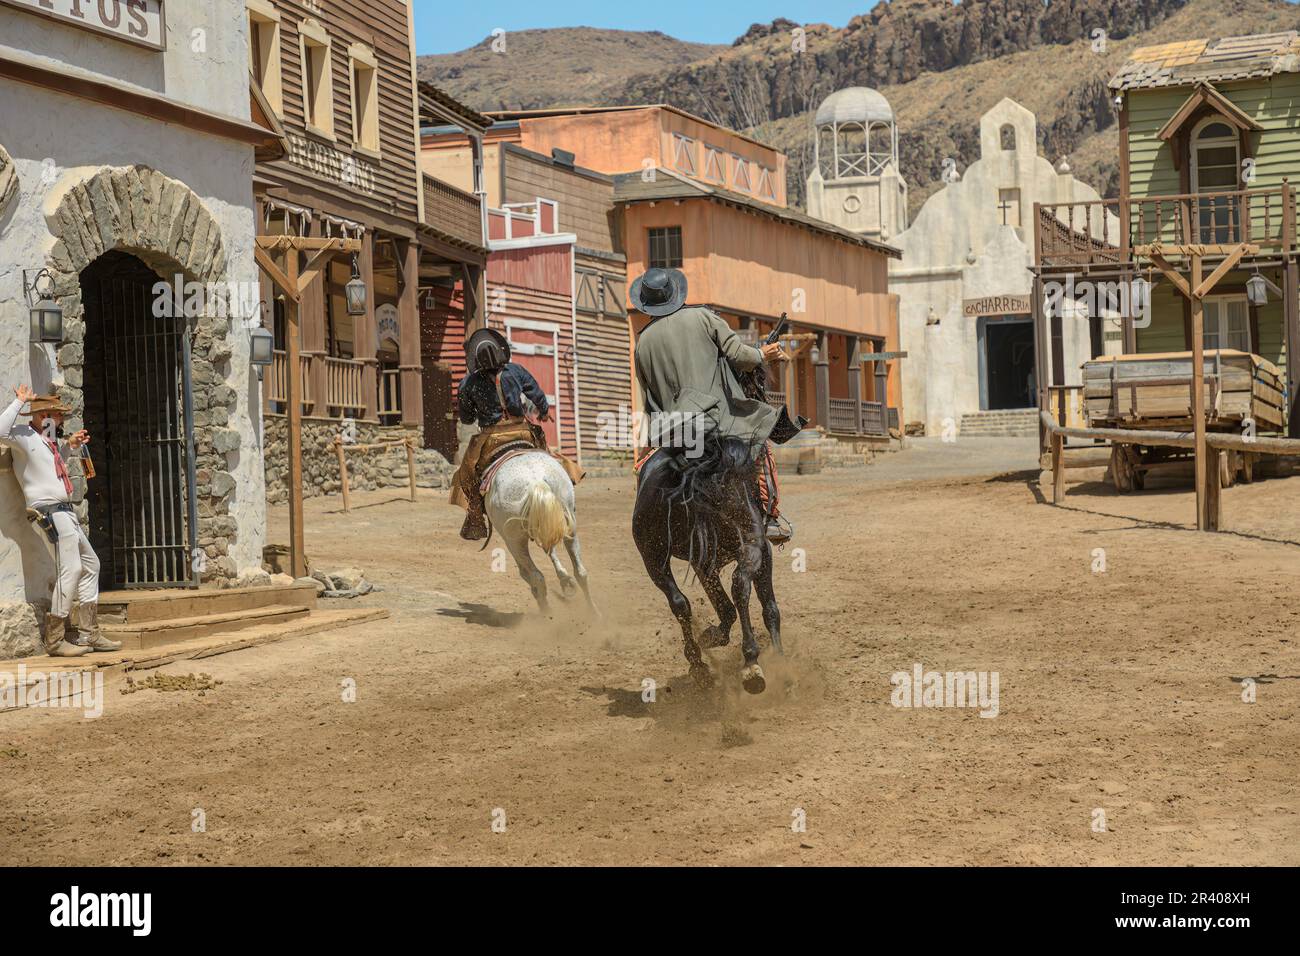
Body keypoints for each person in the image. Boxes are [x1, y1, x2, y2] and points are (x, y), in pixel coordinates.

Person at [631, 267, 793, 543]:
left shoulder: (642, 343)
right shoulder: (703, 317)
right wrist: (762, 354)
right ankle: (770, 517)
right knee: (762, 446)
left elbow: (649, 399)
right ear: (675, 292)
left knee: (645, 472)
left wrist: (654, 439)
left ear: (647, 303)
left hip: (672, 432)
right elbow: (739, 355)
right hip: (717, 422)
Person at [0, 385, 120, 656]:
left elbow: (53, 470)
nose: (62, 420)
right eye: (58, 415)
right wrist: (19, 402)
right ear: (43, 416)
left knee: (91, 564)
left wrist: (69, 448)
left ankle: (90, 634)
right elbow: (0, 431)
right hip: (49, 512)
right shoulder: (24, 435)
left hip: (65, 512)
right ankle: (55, 640)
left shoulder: (48, 439)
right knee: (72, 568)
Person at [449, 328, 583, 540]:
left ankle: (475, 517)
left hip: (490, 436)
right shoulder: (516, 371)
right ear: (501, 351)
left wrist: (479, 407)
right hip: (522, 429)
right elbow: (536, 392)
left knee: (467, 473)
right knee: (545, 452)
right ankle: (568, 476)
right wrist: (544, 412)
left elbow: (466, 419)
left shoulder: (469, 382)